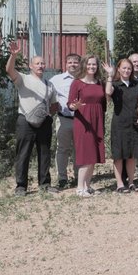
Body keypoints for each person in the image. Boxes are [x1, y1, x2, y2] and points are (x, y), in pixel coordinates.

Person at [5, 41, 59, 196]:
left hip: (44, 123)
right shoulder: (23, 79)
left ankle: (45, 184)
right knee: (23, 154)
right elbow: (9, 70)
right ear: (31, 66)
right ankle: (21, 186)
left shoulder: (49, 84)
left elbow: (54, 104)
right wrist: (13, 55)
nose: (40, 66)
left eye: (42, 63)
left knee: (44, 153)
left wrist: (48, 114)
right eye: (37, 63)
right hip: (25, 122)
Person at [104, 59, 138, 194]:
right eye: (124, 68)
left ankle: (131, 182)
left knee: (132, 155)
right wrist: (110, 75)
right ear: (119, 69)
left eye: (129, 68)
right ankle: (120, 184)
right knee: (119, 155)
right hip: (119, 124)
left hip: (134, 123)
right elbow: (108, 92)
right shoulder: (115, 84)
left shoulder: (136, 84)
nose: (127, 71)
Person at [67, 55, 106, 197]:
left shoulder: (99, 83)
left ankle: (87, 186)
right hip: (83, 122)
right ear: (84, 65)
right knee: (86, 155)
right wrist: (74, 106)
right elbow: (70, 104)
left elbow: (104, 103)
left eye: (94, 65)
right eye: (89, 64)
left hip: (97, 120)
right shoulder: (77, 83)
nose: (91, 67)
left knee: (94, 155)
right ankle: (79, 188)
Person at [50, 53, 81, 189]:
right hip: (64, 119)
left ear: (80, 64)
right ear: (66, 64)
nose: (73, 64)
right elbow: (47, 93)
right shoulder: (56, 80)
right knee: (62, 149)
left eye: (75, 62)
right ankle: (62, 178)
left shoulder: (84, 79)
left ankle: (79, 177)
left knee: (79, 149)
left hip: (81, 121)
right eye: (70, 62)